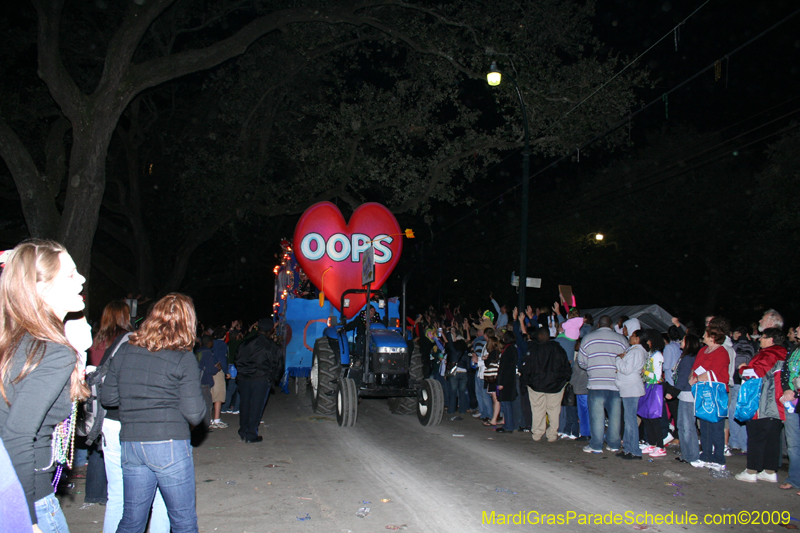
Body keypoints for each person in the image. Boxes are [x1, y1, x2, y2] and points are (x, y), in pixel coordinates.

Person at [0, 240, 90, 533]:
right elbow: (17, 436)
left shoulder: (14, 341)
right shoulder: (53, 352)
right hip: (29, 497)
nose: (82, 280)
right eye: (70, 275)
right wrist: (27, 520)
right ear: (40, 288)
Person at [101, 293, 206, 533]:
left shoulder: (125, 352)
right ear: (187, 322)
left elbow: (109, 398)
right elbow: (194, 414)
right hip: (168, 444)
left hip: (131, 444)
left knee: (131, 520)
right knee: (183, 521)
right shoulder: (183, 358)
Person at [93, 301, 170, 533]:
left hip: (108, 421)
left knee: (117, 493)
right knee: (159, 494)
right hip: (133, 422)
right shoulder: (133, 341)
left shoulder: (100, 340)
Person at [734, 327, 788, 483]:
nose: (760, 340)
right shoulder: (785, 354)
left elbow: (755, 373)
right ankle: (770, 471)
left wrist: (742, 368)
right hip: (778, 403)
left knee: (756, 436)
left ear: (771, 340)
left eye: (763, 337)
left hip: (762, 402)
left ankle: (751, 471)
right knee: (772, 439)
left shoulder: (768, 354)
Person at [577, 315, 629, 454]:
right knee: (615, 416)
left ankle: (596, 445)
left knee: (597, 416)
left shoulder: (588, 338)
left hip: (596, 383)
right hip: (615, 383)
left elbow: (581, 362)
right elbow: (627, 360)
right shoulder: (622, 340)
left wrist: (592, 366)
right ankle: (614, 443)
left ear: (598, 325)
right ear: (611, 326)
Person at [689, 322, 730, 471]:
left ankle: (719, 459)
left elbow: (715, 372)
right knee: (704, 424)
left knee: (716, 426)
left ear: (713, 337)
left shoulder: (721, 352)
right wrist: (692, 377)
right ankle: (705, 455)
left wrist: (698, 378)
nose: (703, 336)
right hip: (702, 390)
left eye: (705, 334)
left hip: (716, 392)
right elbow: (695, 367)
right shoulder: (703, 350)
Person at [236, 318, 281, 443]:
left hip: (244, 378)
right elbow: (277, 365)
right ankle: (251, 434)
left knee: (244, 404)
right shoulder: (272, 346)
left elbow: (237, 359)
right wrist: (272, 379)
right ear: (271, 329)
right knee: (256, 406)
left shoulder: (245, 343)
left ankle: (243, 430)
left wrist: (243, 372)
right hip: (260, 379)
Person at [522, 327, 571, 442]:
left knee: (538, 409)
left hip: (536, 385)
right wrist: (564, 380)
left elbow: (527, 367)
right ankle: (552, 434)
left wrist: (525, 382)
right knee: (554, 410)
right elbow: (566, 367)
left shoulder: (533, 349)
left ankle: (537, 433)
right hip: (555, 385)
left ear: (538, 336)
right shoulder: (558, 349)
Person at [615, 329, 647, 460]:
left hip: (631, 388)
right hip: (629, 387)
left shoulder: (635, 352)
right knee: (629, 420)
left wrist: (618, 359)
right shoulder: (636, 351)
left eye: (633, 336)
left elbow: (626, 369)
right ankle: (628, 448)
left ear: (638, 339)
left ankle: (634, 450)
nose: (630, 337)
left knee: (630, 421)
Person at [779, 322, 800, 493]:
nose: (796, 330)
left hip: (797, 396)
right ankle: (795, 479)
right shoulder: (794, 349)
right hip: (791, 400)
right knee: (793, 443)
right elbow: (785, 371)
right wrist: (786, 388)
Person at [674, 334, 701, 465]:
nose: (680, 341)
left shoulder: (688, 358)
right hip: (686, 394)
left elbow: (683, 377)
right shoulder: (688, 357)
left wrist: (673, 391)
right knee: (683, 425)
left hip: (687, 394)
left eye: (683, 339)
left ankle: (691, 455)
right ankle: (687, 454)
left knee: (687, 426)